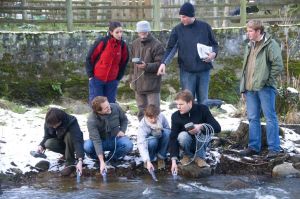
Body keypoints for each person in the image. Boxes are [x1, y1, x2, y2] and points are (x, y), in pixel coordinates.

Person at [157, 2, 218, 105]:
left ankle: (202, 121)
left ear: (192, 16)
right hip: (187, 71)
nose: (182, 19)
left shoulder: (205, 27)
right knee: (188, 102)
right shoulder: (177, 30)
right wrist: (164, 63)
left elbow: (215, 45)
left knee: (203, 102)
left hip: (204, 70)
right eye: (180, 17)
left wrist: (213, 54)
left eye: (184, 17)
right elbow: (171, 49)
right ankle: (189, 121)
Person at [239, 20, 283, 158]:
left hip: (265, 88)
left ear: (258, 31)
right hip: (250, 88)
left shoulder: (271, 44)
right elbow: (245, 68)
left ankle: (274, 149)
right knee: (252, 118)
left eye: (250, 31)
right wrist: (243, 88)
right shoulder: (249, 45)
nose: (248, 33)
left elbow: (278, 65)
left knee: (270, 118)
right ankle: (254, 147)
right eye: (248, 30)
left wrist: (267, 81)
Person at [169, 90, 221, 174]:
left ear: (189, 103)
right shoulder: (175, 116)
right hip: (187, 143)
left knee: (207, 130)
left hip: (201, 142)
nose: (178, 107)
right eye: (177, 104)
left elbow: (217, 128)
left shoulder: (202, 109)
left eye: (181, 104)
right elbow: (173, 137)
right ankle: (187, 155)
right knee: (182, 135)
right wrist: (173, 160)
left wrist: (201, 126)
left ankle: (199, 157)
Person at [84, 96, 133, 174]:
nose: (109, 108)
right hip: (100, 141)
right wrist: (101, 161)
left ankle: (112, 158)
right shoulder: (91, 120)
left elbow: (124, 120)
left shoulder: (115, 107)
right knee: (87, 147)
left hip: (115, 139)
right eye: (106, 108)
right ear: (99, 111)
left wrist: (122, 130)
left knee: (128, 145)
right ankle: (100, 159)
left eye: (108, 105)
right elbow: (96, 141)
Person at [86, 21, 129, 104]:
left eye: (121, 32)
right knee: (96, 104)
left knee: (111, 105)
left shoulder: (123, 46)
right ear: (111, 32)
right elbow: (90, 58)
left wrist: (118, 78)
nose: (120, 34)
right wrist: (90, 76)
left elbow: (124, 63)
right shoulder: (102, 42)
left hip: (112, 81)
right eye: (117, 32)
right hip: (97, 79)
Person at [130, 20, 165, 121]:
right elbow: (132, 65)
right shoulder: (134, 44)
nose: (143, 35)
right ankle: (143, 131)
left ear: (149, 31)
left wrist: (146, 66)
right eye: (140, 32)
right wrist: (132, 79)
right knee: (141, 110)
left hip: (152, 85)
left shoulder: (157, 45)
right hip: (138, 84)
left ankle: (157, 132)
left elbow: (161, 64)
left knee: (154, 111)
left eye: (144, 32)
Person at [37, 108, 85, 176]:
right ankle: (65, 154)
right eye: (51, 125)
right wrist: (41, 145)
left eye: (55, 125)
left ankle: (70, 162)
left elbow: (78, 141)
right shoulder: (49, 122)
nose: (53, 127)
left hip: (73, 143)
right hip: (61, 142)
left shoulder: (71, 120)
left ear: (60, 121)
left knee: (69, 135)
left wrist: (80, 160)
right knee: (48, 143)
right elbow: (47, 136)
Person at [137, 104, 170, 172]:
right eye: (151, 118)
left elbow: (168, 129)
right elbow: (141, 143)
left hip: (160, 140)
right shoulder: (142, 125)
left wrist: (161, 130)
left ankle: (161, 157)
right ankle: (150, 160)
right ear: (146, 116)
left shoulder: (161, 116)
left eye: (155, 117)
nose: (153, 120)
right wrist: (147, 160)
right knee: (153, 140)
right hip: (150, 144)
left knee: (167, 133)